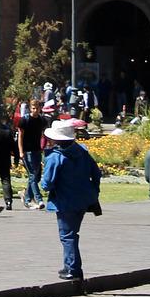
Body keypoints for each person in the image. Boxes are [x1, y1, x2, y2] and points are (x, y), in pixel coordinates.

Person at [40, 121, 101, 283]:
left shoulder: (55, 157)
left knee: (67, 235)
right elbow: (96, 172)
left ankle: (73, 268)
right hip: (83, 200)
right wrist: (94, 191)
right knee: (72, 234)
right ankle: (71, 266)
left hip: (64, 201)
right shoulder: (82, 151)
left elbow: (47, 184)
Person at [19, 101, 50, 209]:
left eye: (37, 108)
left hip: (37, 150)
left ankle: (26, 196)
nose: (35, 110)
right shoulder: (24, 120)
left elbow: (44, 134)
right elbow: (20, 136)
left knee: (36, 177)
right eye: (33, 108)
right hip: (27, 151)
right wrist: (21, 151)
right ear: (29, 108)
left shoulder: (41, 120)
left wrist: (45, 146)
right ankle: (39, 199)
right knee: (32, 175)